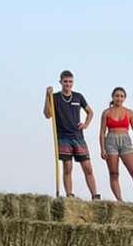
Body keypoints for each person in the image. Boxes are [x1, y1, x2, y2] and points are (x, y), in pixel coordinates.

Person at [43, 70, 100, 199]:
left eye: (70, 81)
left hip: (78, 136)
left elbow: (90, 112)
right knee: (67, 166)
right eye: (65, 82)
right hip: (63, 136)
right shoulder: (55, 97)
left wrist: (85, 124)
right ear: (61, 82)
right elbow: (47, 114)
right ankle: (69, 195)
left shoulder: (78, 97)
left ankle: (95, 195)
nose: (68, 84)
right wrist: (47, 96)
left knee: (87, 167)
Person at [98, 87, 133, 204]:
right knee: (114, 173)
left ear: (125, 98)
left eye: (121, 96)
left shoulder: (129, 112)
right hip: (111, 141)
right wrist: (102, 149)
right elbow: (102, 132)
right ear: (113, 97)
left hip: (126, 141)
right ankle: (120, 200)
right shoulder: (106, 112)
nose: (119, 98)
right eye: (117, 96)